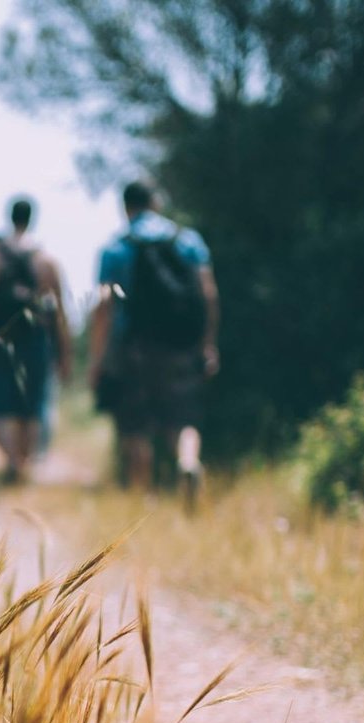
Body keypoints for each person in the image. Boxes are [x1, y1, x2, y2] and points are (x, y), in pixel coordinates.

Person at [88, 181, 220, 508]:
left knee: (136, 424)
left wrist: (98, 359)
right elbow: (208, 295)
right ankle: (187, 463)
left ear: (125, 207)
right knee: (182, 416)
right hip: (181, 343)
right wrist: (208, 343)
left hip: (133, 347)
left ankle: (143, 501)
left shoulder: (116, 248)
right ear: (156, 203)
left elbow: (104, 308)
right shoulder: (187, 241)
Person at [0, 196, 73, 483]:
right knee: (31, 402)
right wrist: (64, 354)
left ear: (9, 217)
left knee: (0, 401)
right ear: (32, 218)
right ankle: (24, 462)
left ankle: (11, 459)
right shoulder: (46, 260)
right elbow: (59, 313)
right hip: (35, 339)